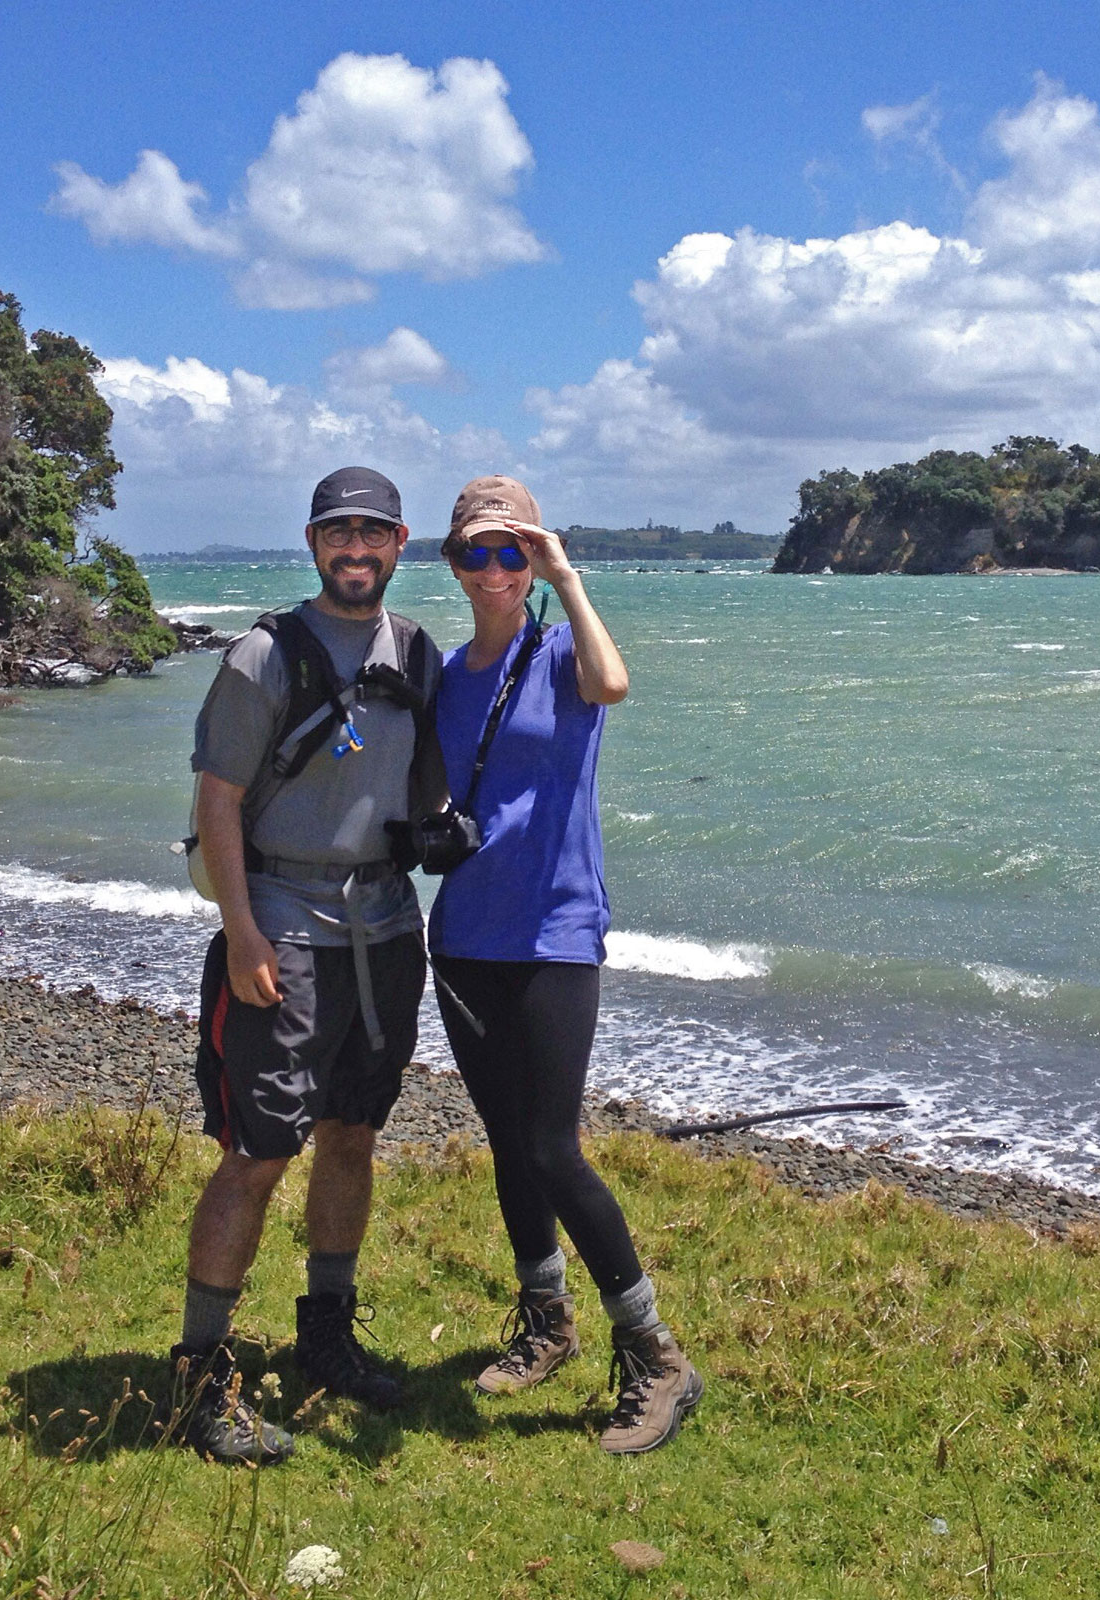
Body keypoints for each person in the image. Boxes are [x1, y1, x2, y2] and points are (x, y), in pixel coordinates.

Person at [427, 474, 704, 1455]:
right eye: (477, 550)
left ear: (534, 555)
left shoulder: (560, 655)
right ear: (452, 561)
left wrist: (567, 576)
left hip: (553, 930)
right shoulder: (441, 672)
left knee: (551, 1145)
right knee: (507, 1139)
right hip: (461, 934)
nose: (496, 568)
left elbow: (614, 684)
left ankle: (656, 1353)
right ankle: (546, 1322)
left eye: (514, 550)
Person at [173, 465, 444, 1465]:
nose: (356, 549)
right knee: (256, 1151)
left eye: (374, 534)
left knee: (351, 1135)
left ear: (400, 543)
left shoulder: (416, 651)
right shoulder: (261, 656)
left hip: (384, 928)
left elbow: (424, 786)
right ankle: (200, 1373)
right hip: (281, 925)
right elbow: (217, 802)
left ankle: (325, 1337)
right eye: (340, 533)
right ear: (313, 541)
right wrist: (242, 932)